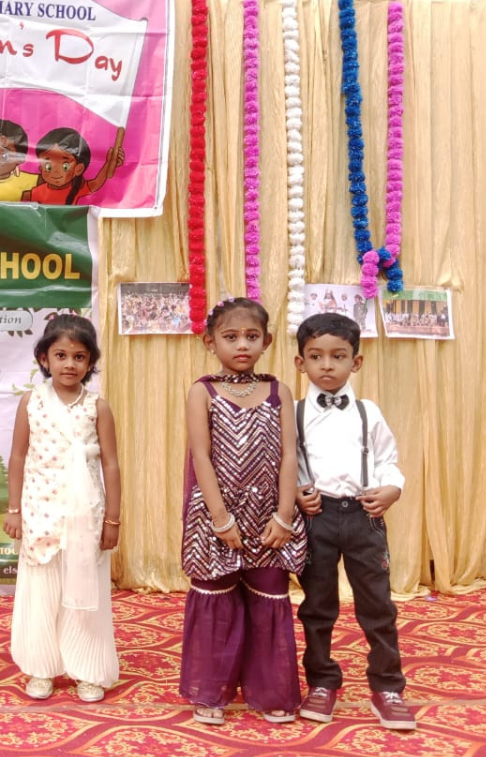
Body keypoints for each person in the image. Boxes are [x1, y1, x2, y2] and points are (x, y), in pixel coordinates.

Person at [179, 298, 306, 726]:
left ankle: (271, 692)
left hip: (269, 516)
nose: (242, 345)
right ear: (210, 342)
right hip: (217, 516)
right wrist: (220, 518)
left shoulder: (278, 391)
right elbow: (200, 456)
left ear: (266, 341)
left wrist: (284, 516)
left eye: (252, 337)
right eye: (231, 337)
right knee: (215, 599)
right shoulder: (203, 391)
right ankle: (210, 692)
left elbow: (289, 456)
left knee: (269, 595)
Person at [292, 313, 416, 730]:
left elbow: (387, 459)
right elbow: (286, 464)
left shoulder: (368, 412)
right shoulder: (294, 413)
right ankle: (321, 682)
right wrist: (297, 491)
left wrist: (392, 488)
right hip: (317, 519)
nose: (327, 365)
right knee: (317, 606)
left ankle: (388, 687)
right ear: (300, 363)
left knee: (377, 605)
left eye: (338, 356)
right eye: (316, 356)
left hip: (364, 516)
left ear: (356, 362)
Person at [3, 315, 121, 703]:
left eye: (79, 357)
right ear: (44, 358)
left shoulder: (98, 407)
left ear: (90, 362)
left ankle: (87, 670)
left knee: (85, 592)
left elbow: (111, 465)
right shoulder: (31, 402)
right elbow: (17, 456)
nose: (69, 364)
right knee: (42, 591)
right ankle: (41, 668)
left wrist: (113, 518)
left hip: (85, 515)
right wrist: (14, 510)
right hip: (40, 512)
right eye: (61, 355)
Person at [21, 128, 123, 205]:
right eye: (48, 166)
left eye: (65, 166)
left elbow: (97, 183)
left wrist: (109, 162)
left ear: (78, 169)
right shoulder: (35, 193)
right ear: (40, 168)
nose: (56, 172)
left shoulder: (78, 189)